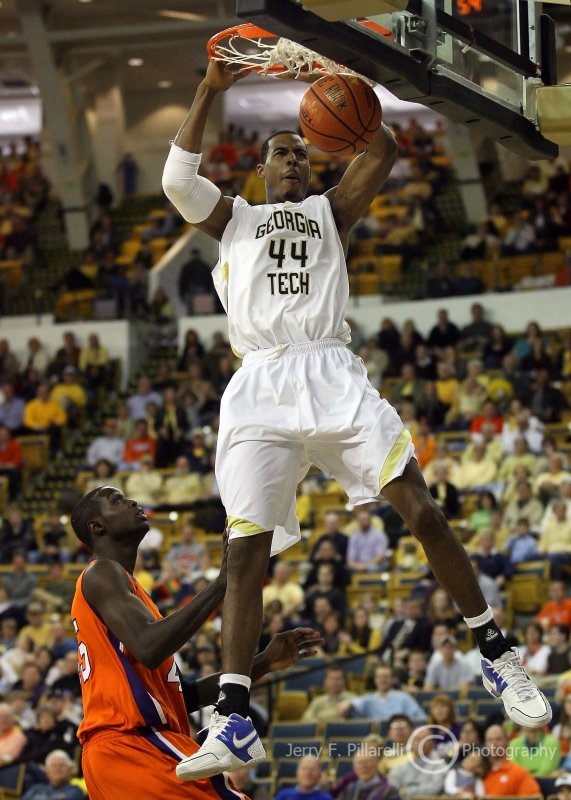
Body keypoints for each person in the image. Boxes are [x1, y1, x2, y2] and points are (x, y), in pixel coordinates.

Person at [162, 58, 551, 781]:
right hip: (259, 387)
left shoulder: (329, 211)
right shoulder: (232, 219)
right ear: (258, 165)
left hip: (330, 372)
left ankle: (496, 653)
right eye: (282, 154)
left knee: (422, 511)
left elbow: (385, 150)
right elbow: (176, 182)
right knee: (243, 555)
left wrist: (351, 73)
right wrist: (209, 88)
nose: (295, 163)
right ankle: (233, 717)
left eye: (305, 154)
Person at [68, 486, 321, 799]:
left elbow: (182, 697)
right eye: (116, 500)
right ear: (97, 526)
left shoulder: (130, 595)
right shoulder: (102, 573)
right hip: (132, 745)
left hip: (113, 755)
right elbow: (149, 646)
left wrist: (264, 662)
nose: (133, 500)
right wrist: (221, 585)